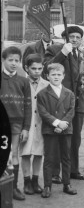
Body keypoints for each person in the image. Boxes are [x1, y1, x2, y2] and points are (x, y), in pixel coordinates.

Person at [45, 25, 84, 182]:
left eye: (77, 37)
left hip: (80, 103)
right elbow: (46, 69)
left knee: (75, 139)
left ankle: (73, 170)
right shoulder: (55, 50)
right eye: (71, 37)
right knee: (58, 136)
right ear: (65, 38)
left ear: (81, 40)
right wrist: (63, 53)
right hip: (59, 103)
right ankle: (55, 173)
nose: (74, 40)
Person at [37, 63, 77, 198]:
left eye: (59, 74)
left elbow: (71, 110)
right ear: (47, 76)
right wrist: (57, 123)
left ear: (63, 76)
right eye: (53, 74)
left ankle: (67, 184)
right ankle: (47, 186)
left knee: (66, 157)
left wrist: (63, 124)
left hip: (66, 128)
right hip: (50, 128)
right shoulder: (42, 94)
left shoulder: (69, 93)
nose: (56, 77)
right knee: (49, 158)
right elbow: (43, 112)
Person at [1, 46, 32, 200]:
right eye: (10, 60)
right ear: (3, 60)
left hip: (16, 124)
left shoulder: (24, 81)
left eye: (17, 61)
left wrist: (26, 128)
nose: (14, 63)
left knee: (13, 155)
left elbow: (28, 105)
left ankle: (13, 189)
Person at [20, 55, 47, 195]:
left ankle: (35, 181)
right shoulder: (21, 82)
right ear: (26, 68)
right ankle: (26, 181)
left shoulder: (47, 84)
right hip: (26, 123)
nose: (37, 71)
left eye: (40, 68)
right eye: (33, 68)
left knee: (38, 153)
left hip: (41, 123)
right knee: (25, 152)